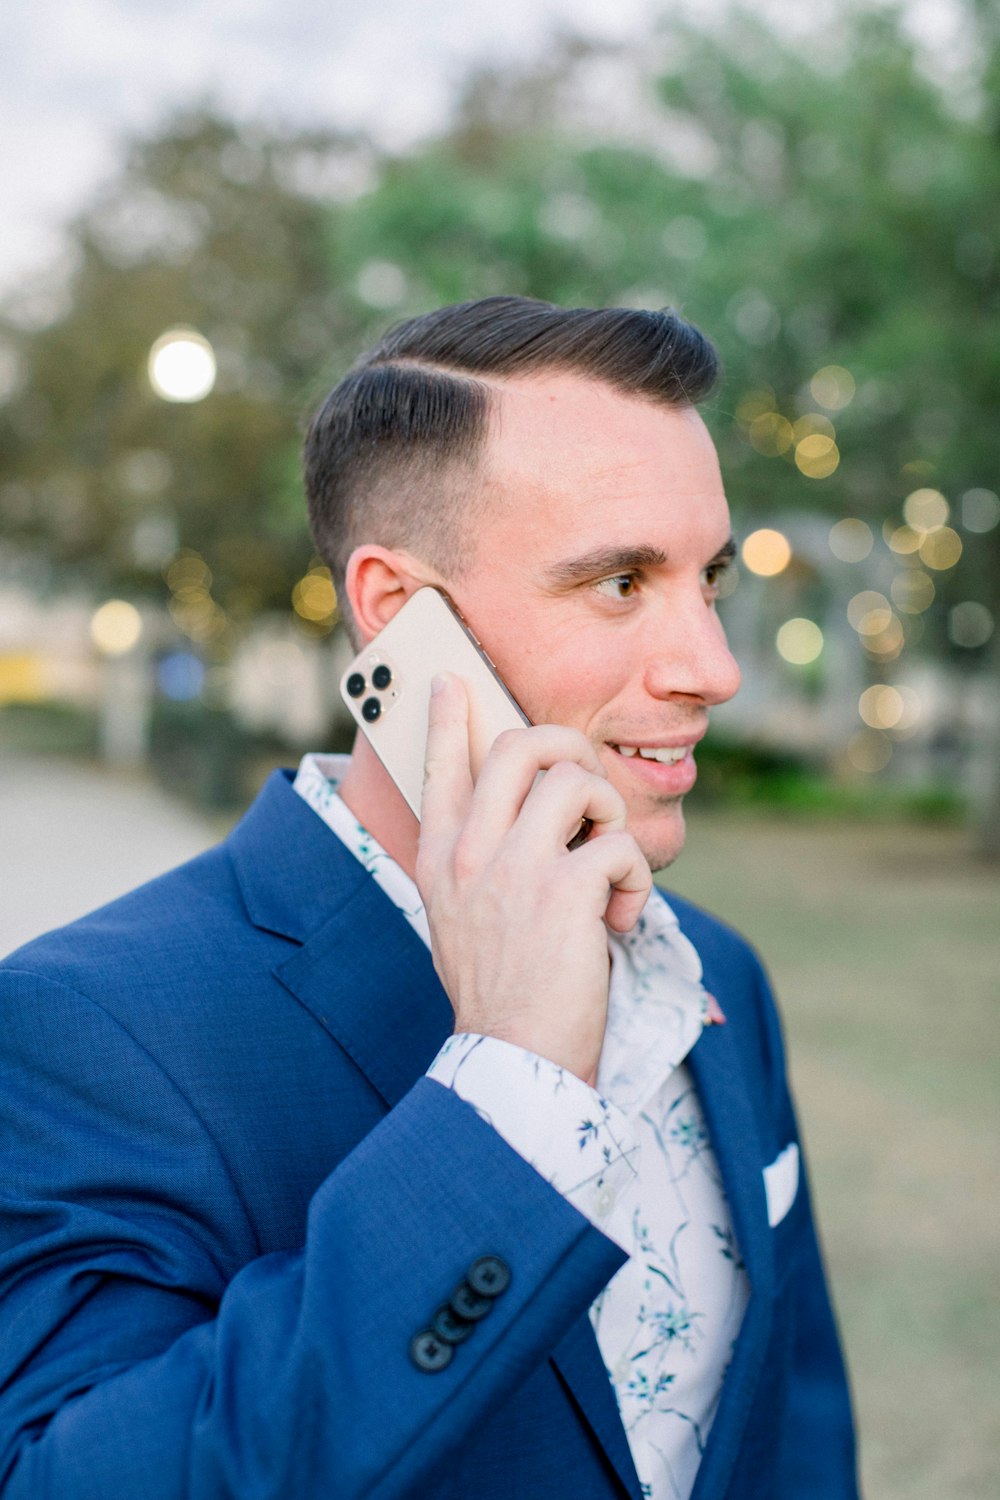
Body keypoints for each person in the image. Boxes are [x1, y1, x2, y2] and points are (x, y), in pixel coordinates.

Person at [0, 297, 858, 1499]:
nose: (712, 666)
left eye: (705, 579)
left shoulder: (721, 975)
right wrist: (505, 1086)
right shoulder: (85, 1028)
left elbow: (793, 1427)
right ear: (402, 620)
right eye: (620, 582)